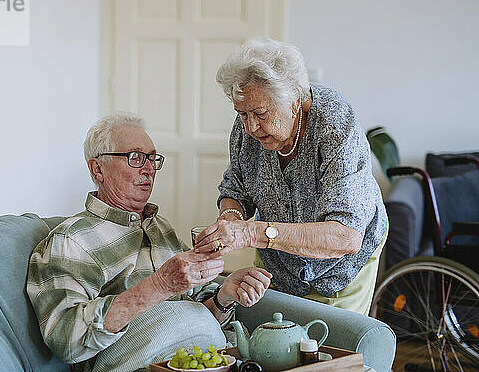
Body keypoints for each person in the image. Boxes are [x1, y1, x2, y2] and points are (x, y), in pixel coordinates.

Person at [26, 113, 272, 372]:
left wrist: (225, 295)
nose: (148, 168)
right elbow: (66, 339)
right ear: (97, 169)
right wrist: (160, 284)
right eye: (135, 158)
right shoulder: (72, 240)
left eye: (152, 158)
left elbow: (200, 314)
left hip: (211, 360)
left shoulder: (160, 227)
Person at [192, 38, 388, 315]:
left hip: (340, 263)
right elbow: (235, 189)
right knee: (271, 337)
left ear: (295, 101)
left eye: (260, 113)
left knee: (333, 345)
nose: (250, 126)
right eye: (242, 114)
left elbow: (346, 236)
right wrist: (231, 218)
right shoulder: (248, 125)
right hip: (277, 257)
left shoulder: (333, 124)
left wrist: (250, 232)